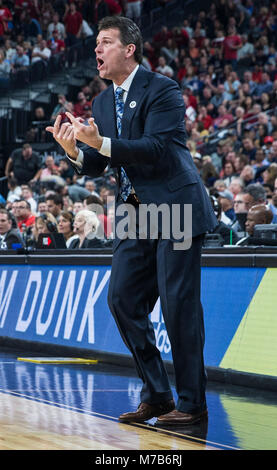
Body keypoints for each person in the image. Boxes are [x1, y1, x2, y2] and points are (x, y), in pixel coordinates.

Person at [46, 16, 217, 425]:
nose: (97, 50)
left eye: (105, 42)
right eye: (97, 43)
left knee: (179, 307)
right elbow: (100, 161)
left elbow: (154, 148)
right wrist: (74, 150)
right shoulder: (103, 102)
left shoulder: (164, 90)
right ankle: (157, 394)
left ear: (129, 50)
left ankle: (192, 403)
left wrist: (98, 141)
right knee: (122, 300)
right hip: (135, 213)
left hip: (174, 207)